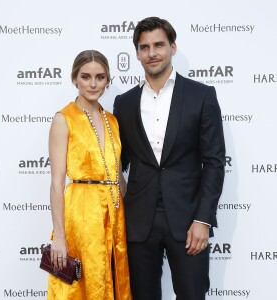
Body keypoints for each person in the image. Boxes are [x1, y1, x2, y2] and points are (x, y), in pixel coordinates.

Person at [113, 17, 225, 300]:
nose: (152, 53)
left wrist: (203, 219)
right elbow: (116, 164)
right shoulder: (124, 103)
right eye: (144, 47)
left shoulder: (201, 95)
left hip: (188, 221)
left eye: (159, 45)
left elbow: (213, 161)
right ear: (137, 53)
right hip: (138, 223)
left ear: (173, 47)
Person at [47, 50, 132, 300]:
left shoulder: (113, 121)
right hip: (82, 215)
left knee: (114, 280)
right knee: (82, 285)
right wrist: (59, 236)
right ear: (75, 78)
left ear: (108, 80)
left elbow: (117, 174)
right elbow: (56, 184)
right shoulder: (64, 119)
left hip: (114, 214)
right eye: (86, 76)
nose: (93, 84)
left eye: (100, 77)